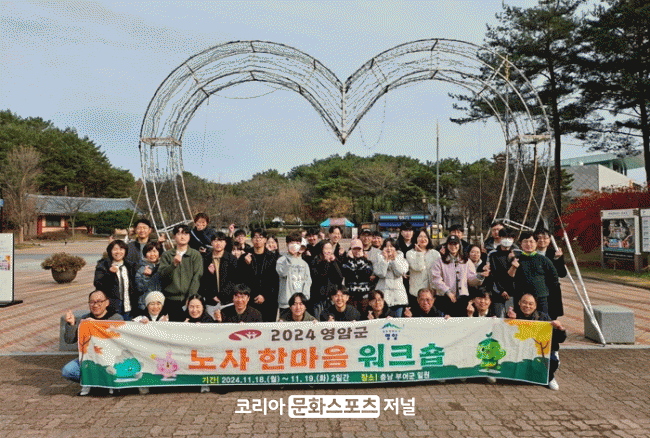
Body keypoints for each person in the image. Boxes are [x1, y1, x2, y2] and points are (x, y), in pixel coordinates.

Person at [61, 290, 124, 396]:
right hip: (90, 359)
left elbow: (118, 341)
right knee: (67, 371)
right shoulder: (84, 319)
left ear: (107, 303)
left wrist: (96, 325)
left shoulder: (116, 318)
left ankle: (100, 382)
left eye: (99, 301)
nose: (95, 305)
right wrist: (71, 324)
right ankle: (97, 382)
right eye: (92, 302)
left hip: (111, 360)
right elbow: (69, 340)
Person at [507, 293, 566, 390]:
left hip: (537, 350)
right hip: (519, 350)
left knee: (552, 360)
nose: (527, 306)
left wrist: (560, 328)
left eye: (531, 304)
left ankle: (549, 378)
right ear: (519, 303)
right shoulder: (513, 315)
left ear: (535, 306)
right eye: (524, 303)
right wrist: (510, 321)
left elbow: (560, 339)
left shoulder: (543, 318)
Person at [431, 235, 489, 317]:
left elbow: (471, 279)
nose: (453, 246)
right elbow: (436, 280)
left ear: (459, 245)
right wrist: (447, 292)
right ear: (447, 245)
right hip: (444, 298)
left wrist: (480, 276)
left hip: (463, 299)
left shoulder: (466, 261)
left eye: (455, 244)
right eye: (450, 244)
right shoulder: (439, 261)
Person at [508, 231, 561, 318]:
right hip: (521, 298)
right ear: (520, 243)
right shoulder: (515, 259)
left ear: (536, 243)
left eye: (531, 241)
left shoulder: (544, 260)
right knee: (520, 322)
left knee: (541, 321)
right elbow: (509, 277)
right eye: (525, 241)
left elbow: (554, 278)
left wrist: (544, 291)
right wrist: (514, 267)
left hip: (541, 298)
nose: (528, 244)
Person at [159, 224, 203, 319]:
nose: (182, 237)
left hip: (189, 301)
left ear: (189, 236)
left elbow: (197, 277)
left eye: (185, 234)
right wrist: (173, 265)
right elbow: (162, 275)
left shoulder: (195, 255)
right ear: (174, 236)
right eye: (179, 234)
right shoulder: (167, 255)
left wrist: (190, 297)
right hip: (170, 300)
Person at [238, 228, 279, 322]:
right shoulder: (245, 257)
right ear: (252, 239)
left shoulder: (273, 258)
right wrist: (246, 265)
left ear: (265, 240)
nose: (258, 240)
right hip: (249, 300)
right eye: (255, 237)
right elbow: (240, 279)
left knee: (267, 328)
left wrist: (264, 296)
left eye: (260, 237)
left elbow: (275, 281)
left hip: (269, 301)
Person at [93, 240, 137, 319]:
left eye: (121, 249)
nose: (118, 252)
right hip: (111, 309)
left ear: (125, 251)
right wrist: (110, 274)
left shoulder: (130, 266)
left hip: (128, 308)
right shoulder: (103, 265)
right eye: (115, 249)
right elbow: (98, 284)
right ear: (110, 251)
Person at [485, 229, 519, 318]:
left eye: (510, 237)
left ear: (513, 239)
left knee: (511, 318)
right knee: (498, 317)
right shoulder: (493, 254)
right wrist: (501, 290)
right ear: (499, 238)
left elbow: (517, 275)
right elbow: (493, 275)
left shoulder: (517, 253)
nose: (507, 240)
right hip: (497, 292)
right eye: (504, 237)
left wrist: (510, 260)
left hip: (513, 293)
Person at [199, 231, 238, 306]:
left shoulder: (232, 259)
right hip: (210, 300)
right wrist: (210, 274)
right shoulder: (206, 259)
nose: (218, 243)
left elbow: (234, 280)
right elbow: (202, 281)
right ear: (211, 243)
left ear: (225, 243)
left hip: (228, 300)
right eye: (216, 241)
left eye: (221, 241)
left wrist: (220, 296)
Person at [535, 228, 566, 319]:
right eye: (539, 238)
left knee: (551, 319)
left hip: (552, 293)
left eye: (545, 238)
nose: (542, 240)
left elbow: (562, 273)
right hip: (535, 292)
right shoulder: (531, 253)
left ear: (549, 240)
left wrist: (557, 259)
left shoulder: (555, 253)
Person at [276, 231, 312, 313]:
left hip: (300, 304)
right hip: (286, 303)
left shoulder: (304, 264)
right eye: (292, 243)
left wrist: (304, 299)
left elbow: (307, 282)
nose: (294, 245)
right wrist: (291, 257)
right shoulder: (281, 260)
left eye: (297, 243)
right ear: (287, 244)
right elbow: (283, 273)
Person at [405, 228, 441, 308]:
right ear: (415, 239)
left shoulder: (435, 254)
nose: (423, 239)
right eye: (420, 237)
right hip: (416, 293)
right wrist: (419, 253)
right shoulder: (410, 253)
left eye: (425, 237)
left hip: (432, 293)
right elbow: (418, 267)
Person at [373, 238, 409, 317]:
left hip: (398, 297)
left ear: (395, 248)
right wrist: (385, 261)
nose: (389, 248)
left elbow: (400, 272)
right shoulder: (378, 259)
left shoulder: (402, 259)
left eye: (391, 246)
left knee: (397, 322)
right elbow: (381, 274)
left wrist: (394, 260)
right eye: (386, 246)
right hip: (383, 296)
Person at [309, 241, 344, 319]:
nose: (329, 251)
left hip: (330, 298)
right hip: (318, 299)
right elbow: (320, 279)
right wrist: (326, 262)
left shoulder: (334, 261)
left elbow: (339, 278)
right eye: (326, 249)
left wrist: (333, 262)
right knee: (319, 321)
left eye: (330, 249)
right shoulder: (314, 262)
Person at [341, 238, 374, 314]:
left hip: (364, 296)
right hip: (351, 296)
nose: (357, 251)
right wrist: (351, 259)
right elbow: (349, 273)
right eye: (354, 249)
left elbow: (366, 273)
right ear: (350, 250)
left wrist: (361, 259)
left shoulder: (367, 262)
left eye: (359, 249)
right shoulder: (345, 262)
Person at [134, 241, 163, 310]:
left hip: (160, 304)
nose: (152, 254)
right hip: (145, 305)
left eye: (154, 251)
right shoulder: (141, 268)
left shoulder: (163, 267)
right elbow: (139, 289)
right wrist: (145, 277)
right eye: (149, 252)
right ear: (145, 254)